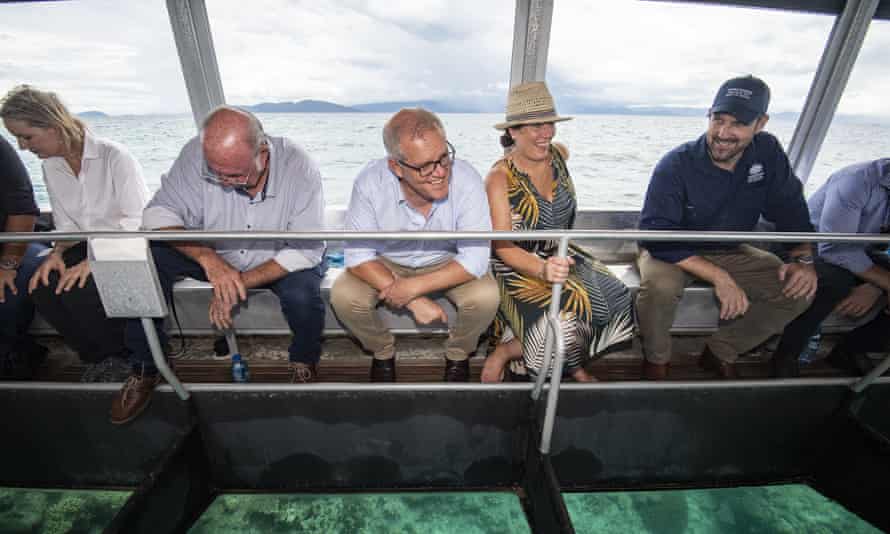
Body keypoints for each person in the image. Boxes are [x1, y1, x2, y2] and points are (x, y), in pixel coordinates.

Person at [110, 106, 326, 424]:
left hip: (278, 256)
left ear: (262, 153)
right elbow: (157, 214)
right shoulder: (195, 154)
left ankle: (304, 361)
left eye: (236, 175)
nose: (224, 182)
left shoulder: (299, 166)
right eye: (216, 173)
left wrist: (236, 283)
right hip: (216, 254)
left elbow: (306, 249)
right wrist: (208, 259)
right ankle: (146, 366)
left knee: (303, 296)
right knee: (147, 260)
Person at [636, 75, 817, 380]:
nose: (723, 133)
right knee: (659, 289)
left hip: (729, 248)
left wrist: (803, 258)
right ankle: (656, 361)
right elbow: (656, 235)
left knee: (799, 291)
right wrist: (719, 277)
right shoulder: (676, 163)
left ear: (760, 124)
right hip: (673, 250)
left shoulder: (768, 152)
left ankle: (721, 351)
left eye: (738, 124)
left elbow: (791, 209)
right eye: (718, 120)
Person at [330, 108, 499, 382]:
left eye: (444, 157)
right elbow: (358, 255)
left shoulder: (467, 178)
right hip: (386, 262)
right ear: (396, 167)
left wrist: (412, 288)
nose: (440, 172)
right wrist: (414, 300)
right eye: (425, 166)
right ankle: (382, 351)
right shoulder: (369, 182)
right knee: (344, 297)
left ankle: (458, 354)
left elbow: (476, 258)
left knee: (486, 298)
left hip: (447, 261)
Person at [481, 81, 634, 383]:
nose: (547, 133)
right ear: (513, 131)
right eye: (536, 126)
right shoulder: (498, 178)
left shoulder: (558, 155)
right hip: (516, 263)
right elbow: (502, 245)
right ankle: (505, 352)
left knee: (617, 296)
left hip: (561, 252)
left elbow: (560, 150)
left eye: (550, 124)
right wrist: (542, 269)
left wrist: (555, 262)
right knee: (563, 320)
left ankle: (571, 364)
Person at [1, 85, 148, 382]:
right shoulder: (52, 166)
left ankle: (127, 358)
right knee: (41, 285)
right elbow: (67, 225)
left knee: (80, 287)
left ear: (53, 126)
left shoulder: (114, 156)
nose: (22, 147)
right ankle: (99, 359)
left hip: (129, 244)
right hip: (86, 244)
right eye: (17, 138)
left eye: (27, 137)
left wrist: (93, 262)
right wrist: (56, 253)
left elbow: (137, 221)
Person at [772, 159, 890, 377]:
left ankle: (852, 348)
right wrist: (884, 281)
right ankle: (787, 354)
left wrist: (876, 286)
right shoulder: (856, 180)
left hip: (861, 250)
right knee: (835, 281)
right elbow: (835, 249)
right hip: (808, 247)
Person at [0, 134, 47, 379]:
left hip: (19, 243)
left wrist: (7, 265)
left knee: (7, 291)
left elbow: (23, 211)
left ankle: (11, 356)